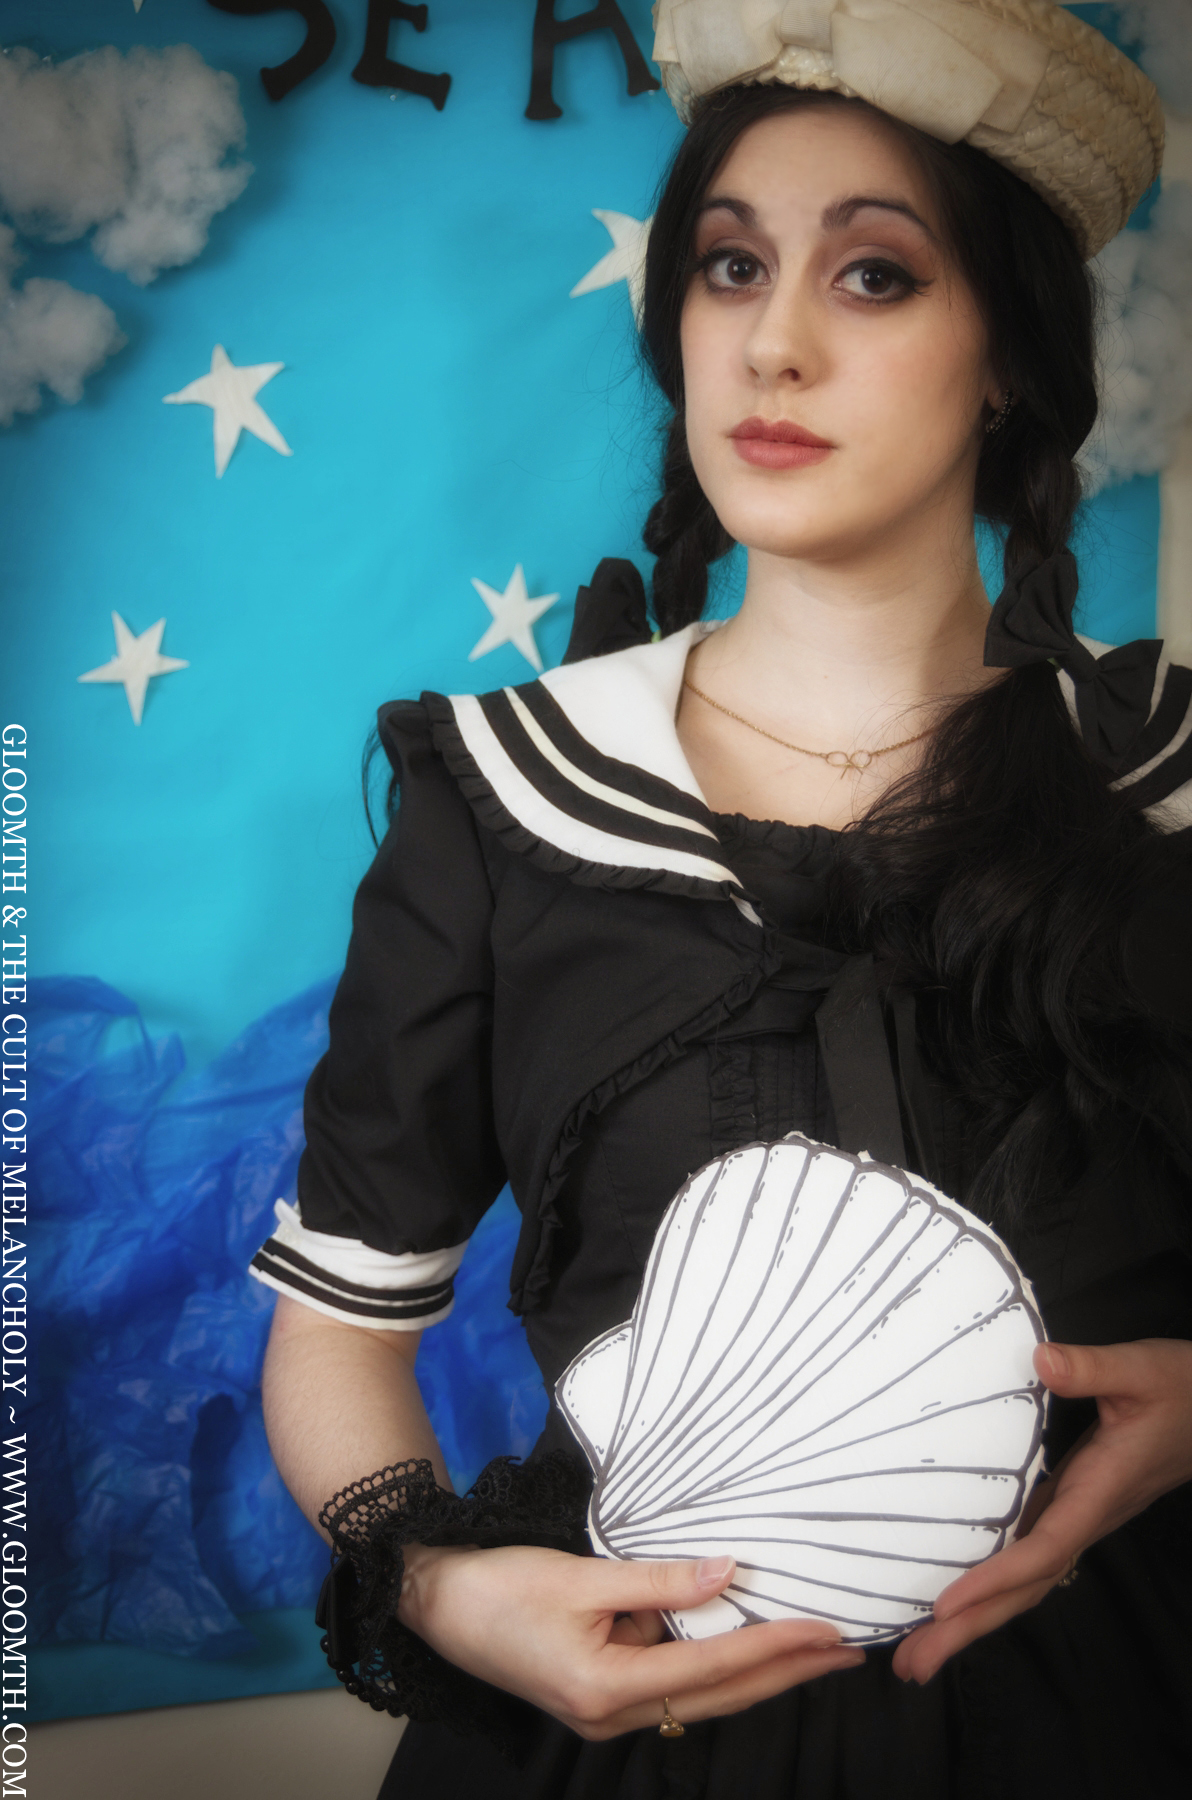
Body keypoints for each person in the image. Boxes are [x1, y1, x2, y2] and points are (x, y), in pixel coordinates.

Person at [250, 4, 1192, 1795]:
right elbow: (338, 1337)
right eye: (730, 266)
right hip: (621, 1745)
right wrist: (442, 1589)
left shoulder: (1162, 786)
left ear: (1008, 352)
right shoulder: (502, 796)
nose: (771, 343)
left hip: (1114, 1717)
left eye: (874, 276)